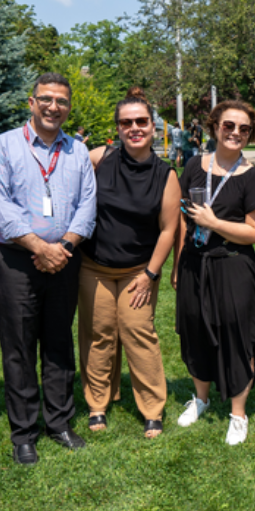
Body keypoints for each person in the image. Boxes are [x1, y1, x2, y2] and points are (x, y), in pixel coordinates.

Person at [0, 72, 97, 465]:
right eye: (46, 99)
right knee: (18, 347)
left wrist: (62, 247)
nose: (54, 107)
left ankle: (60, 422)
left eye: (61, 101)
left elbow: (87, 205)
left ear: (68, 107)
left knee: (59, 343)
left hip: (65, 258)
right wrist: (38, 247)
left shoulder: (77, 151)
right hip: (17, 260)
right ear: (31, 102)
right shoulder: (2, 147)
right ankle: (24, 432)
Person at [77, 89, 180, 438]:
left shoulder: (165, 175)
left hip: (139, 270)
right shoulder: (98, 158)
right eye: (126, 123)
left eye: (141, 122)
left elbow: (168, 229)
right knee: (97, 335)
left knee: (139, 333)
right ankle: (97, 404)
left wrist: (150, 274)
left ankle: (153, 409)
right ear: (118, 128)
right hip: (94, 267)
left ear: (153, 126)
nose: (134, 128)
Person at [174, 100, 255, 446]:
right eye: (229, 126)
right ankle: (200, 399)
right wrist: (177, 266)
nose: (236, 133)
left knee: (237, 335)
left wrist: (214, 223)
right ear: (215, 127)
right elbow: (181, 221)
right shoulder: (193, 166)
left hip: (233, 266)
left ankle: (238, 413)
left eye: (244, 129)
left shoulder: (254, 177)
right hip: (194, 263)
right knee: (195, 330)